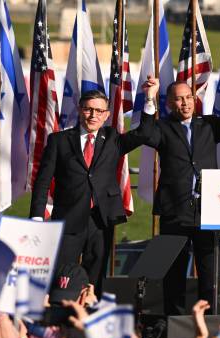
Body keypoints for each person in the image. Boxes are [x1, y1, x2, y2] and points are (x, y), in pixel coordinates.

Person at [136, 74, 220, 316]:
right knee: (173, 274)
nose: (185, 103)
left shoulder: (209, 124)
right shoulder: (161, 128)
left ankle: (208, 322)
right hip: (173, 213)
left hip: (208, 212)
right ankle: (173, 323)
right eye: (178, 99)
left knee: (209, 274)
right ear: (169, 104)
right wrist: (149, 98)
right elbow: (144, 135)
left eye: (189, 97)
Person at [30, 90, 148, 296]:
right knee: (62, 277)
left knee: (96, 277)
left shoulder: (112, 138)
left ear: (106, 115)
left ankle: (90, 319)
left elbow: (144, 133)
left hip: (101, 221)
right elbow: (42, 182)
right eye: (88, 109)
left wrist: (149, 99)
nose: (93, 115)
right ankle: (60, 320)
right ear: (80, 110)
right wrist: (37, 216)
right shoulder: (59, 140)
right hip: (68, 219)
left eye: (99, 111)